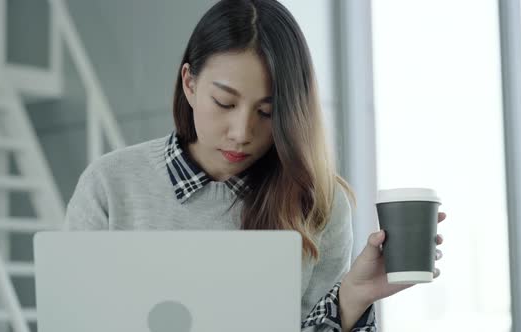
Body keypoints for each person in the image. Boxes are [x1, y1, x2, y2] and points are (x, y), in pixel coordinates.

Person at [64, 0, 448, 331]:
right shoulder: (110, 185)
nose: (242, 132)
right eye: (225, 103)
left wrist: (353, 296)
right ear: (190, 83)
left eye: (268, 112)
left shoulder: (320, 204)